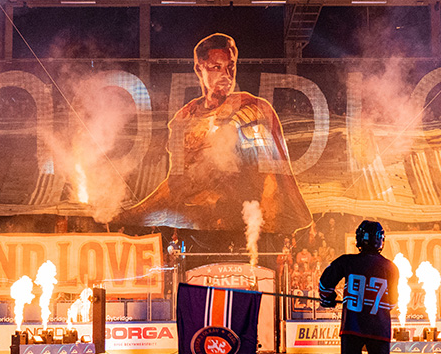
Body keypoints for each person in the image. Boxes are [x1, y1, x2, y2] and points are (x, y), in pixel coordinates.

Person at [119, 33, 312, 233]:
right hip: (201, 222)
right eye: (217, 68)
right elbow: (175, 184)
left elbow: (270, 178)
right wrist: (136, 214)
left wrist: (265, 233)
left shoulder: (250, 107)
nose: (227, 76)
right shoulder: (185, 118)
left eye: (231, 66)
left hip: (246, 221)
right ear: (199, 68)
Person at [319, 220, 399, 354]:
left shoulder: (346, 261)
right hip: (379, 328)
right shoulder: (391, 267)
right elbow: (391, 303)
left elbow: (325, 283)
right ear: (381, 240)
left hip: (352, 327)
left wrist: (328, 298)